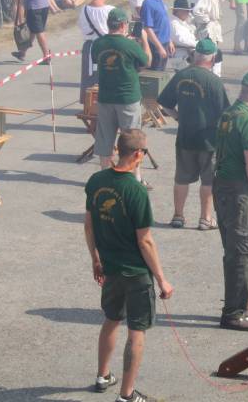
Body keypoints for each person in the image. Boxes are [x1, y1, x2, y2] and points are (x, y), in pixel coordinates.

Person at [84, 128, 173, 402]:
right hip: (136, 273)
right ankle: (127, 394)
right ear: (137, 154)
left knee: (111, 320)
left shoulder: (96, 180)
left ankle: (103, 375)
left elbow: (89, 225)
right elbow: (145, 241)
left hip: (110, 268)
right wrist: (161, 278)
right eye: (144, 152)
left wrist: (95, 259)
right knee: (137, 332)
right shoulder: (136, 191)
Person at [213, 69, 248, 330]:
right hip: (237, 191)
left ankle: (234, 305)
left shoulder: (228, 114)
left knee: (231, 250)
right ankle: (234, 313)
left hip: (220, 186)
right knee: (243, 251)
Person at [158, 38, 230, 232]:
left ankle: (178, 216)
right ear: (213, 58)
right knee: (208, 181)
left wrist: (179, 117)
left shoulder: (181, 75)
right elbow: (225, 114)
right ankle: (205, 219)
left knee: (181, 178)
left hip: (185, 137)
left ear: (195, 55)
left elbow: (164, 103)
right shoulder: (214, 82)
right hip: (208, 140)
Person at [91, 8, 152, 185]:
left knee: (105, 140)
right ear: (124, 25)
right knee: (133, 140)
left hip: (105, 97)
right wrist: (145, 41)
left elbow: (98, 60)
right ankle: (135, 178)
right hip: (127, 98)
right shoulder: (130, 45)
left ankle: (104, 177)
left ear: (109, 25)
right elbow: (147, 61)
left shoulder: (98, 44)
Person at [78, 0, 115, 103]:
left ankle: (89, 105)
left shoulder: (84, 10)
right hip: (108, 46)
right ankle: (106, 104)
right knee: (108, 76)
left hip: (90, 47)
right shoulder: (110, 10)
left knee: (90, 77)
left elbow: (84, 29)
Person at [192, 0, 226, 76]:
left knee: (215, 55)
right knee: (208, 55)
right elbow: (197, 11)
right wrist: (207, 22)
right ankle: (210, 76)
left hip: (213, 29)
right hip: (207, 31)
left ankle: (214, 75)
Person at [139, 0, 174, 71]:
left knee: (162, 73)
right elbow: (148, 28)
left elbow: (163, 22)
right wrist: (159, 47)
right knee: (156, 74)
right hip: (155, 46)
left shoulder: (159, 0)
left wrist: (169, 40)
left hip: (165, 43)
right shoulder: (148, 4)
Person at [169, 0, 198, 71]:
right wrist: (198, 44)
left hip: (188, 54)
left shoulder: (182, 22)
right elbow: (181, 40)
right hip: (181, 57)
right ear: (178, 11)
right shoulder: (174, 23)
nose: (188, 13)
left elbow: (192, 31)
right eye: (186, 11)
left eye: (188, 11)